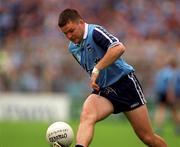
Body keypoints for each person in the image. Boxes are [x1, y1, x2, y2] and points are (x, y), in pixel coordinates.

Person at [58, 8, 167, 147]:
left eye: (71, 30)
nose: (69, 36)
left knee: (147, 138)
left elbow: (119, 48)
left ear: (81, 22)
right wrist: (95, 77)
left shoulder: (94, 32)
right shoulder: (72, 48)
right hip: (105, 91)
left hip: (125, 85)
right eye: (65, 33)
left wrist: (97, 69)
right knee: (86, 115)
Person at [153, 58, 180, 135]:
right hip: (170, 93)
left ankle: (159, 128)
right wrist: (171, 94)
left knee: (160, 110)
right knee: (175, 110)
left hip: (161, 92)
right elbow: (171, 83)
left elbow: (157, 82)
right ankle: (178, 128)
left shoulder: (162, 71)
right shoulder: (174, 72)